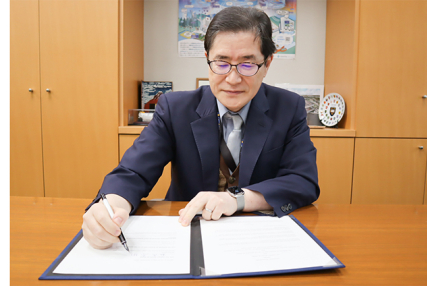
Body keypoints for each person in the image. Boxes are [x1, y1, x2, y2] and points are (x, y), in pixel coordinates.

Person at [80, 6, 320, 249]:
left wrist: (236, 199)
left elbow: (303, 181)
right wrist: (112, 205)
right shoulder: (175, 108)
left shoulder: (289, 107)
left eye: (247, 65)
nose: (233, 79)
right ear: (207, 58)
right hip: (187, 231)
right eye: (221, 63)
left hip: (257, 237)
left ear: (267, 63)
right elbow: (134, 171)